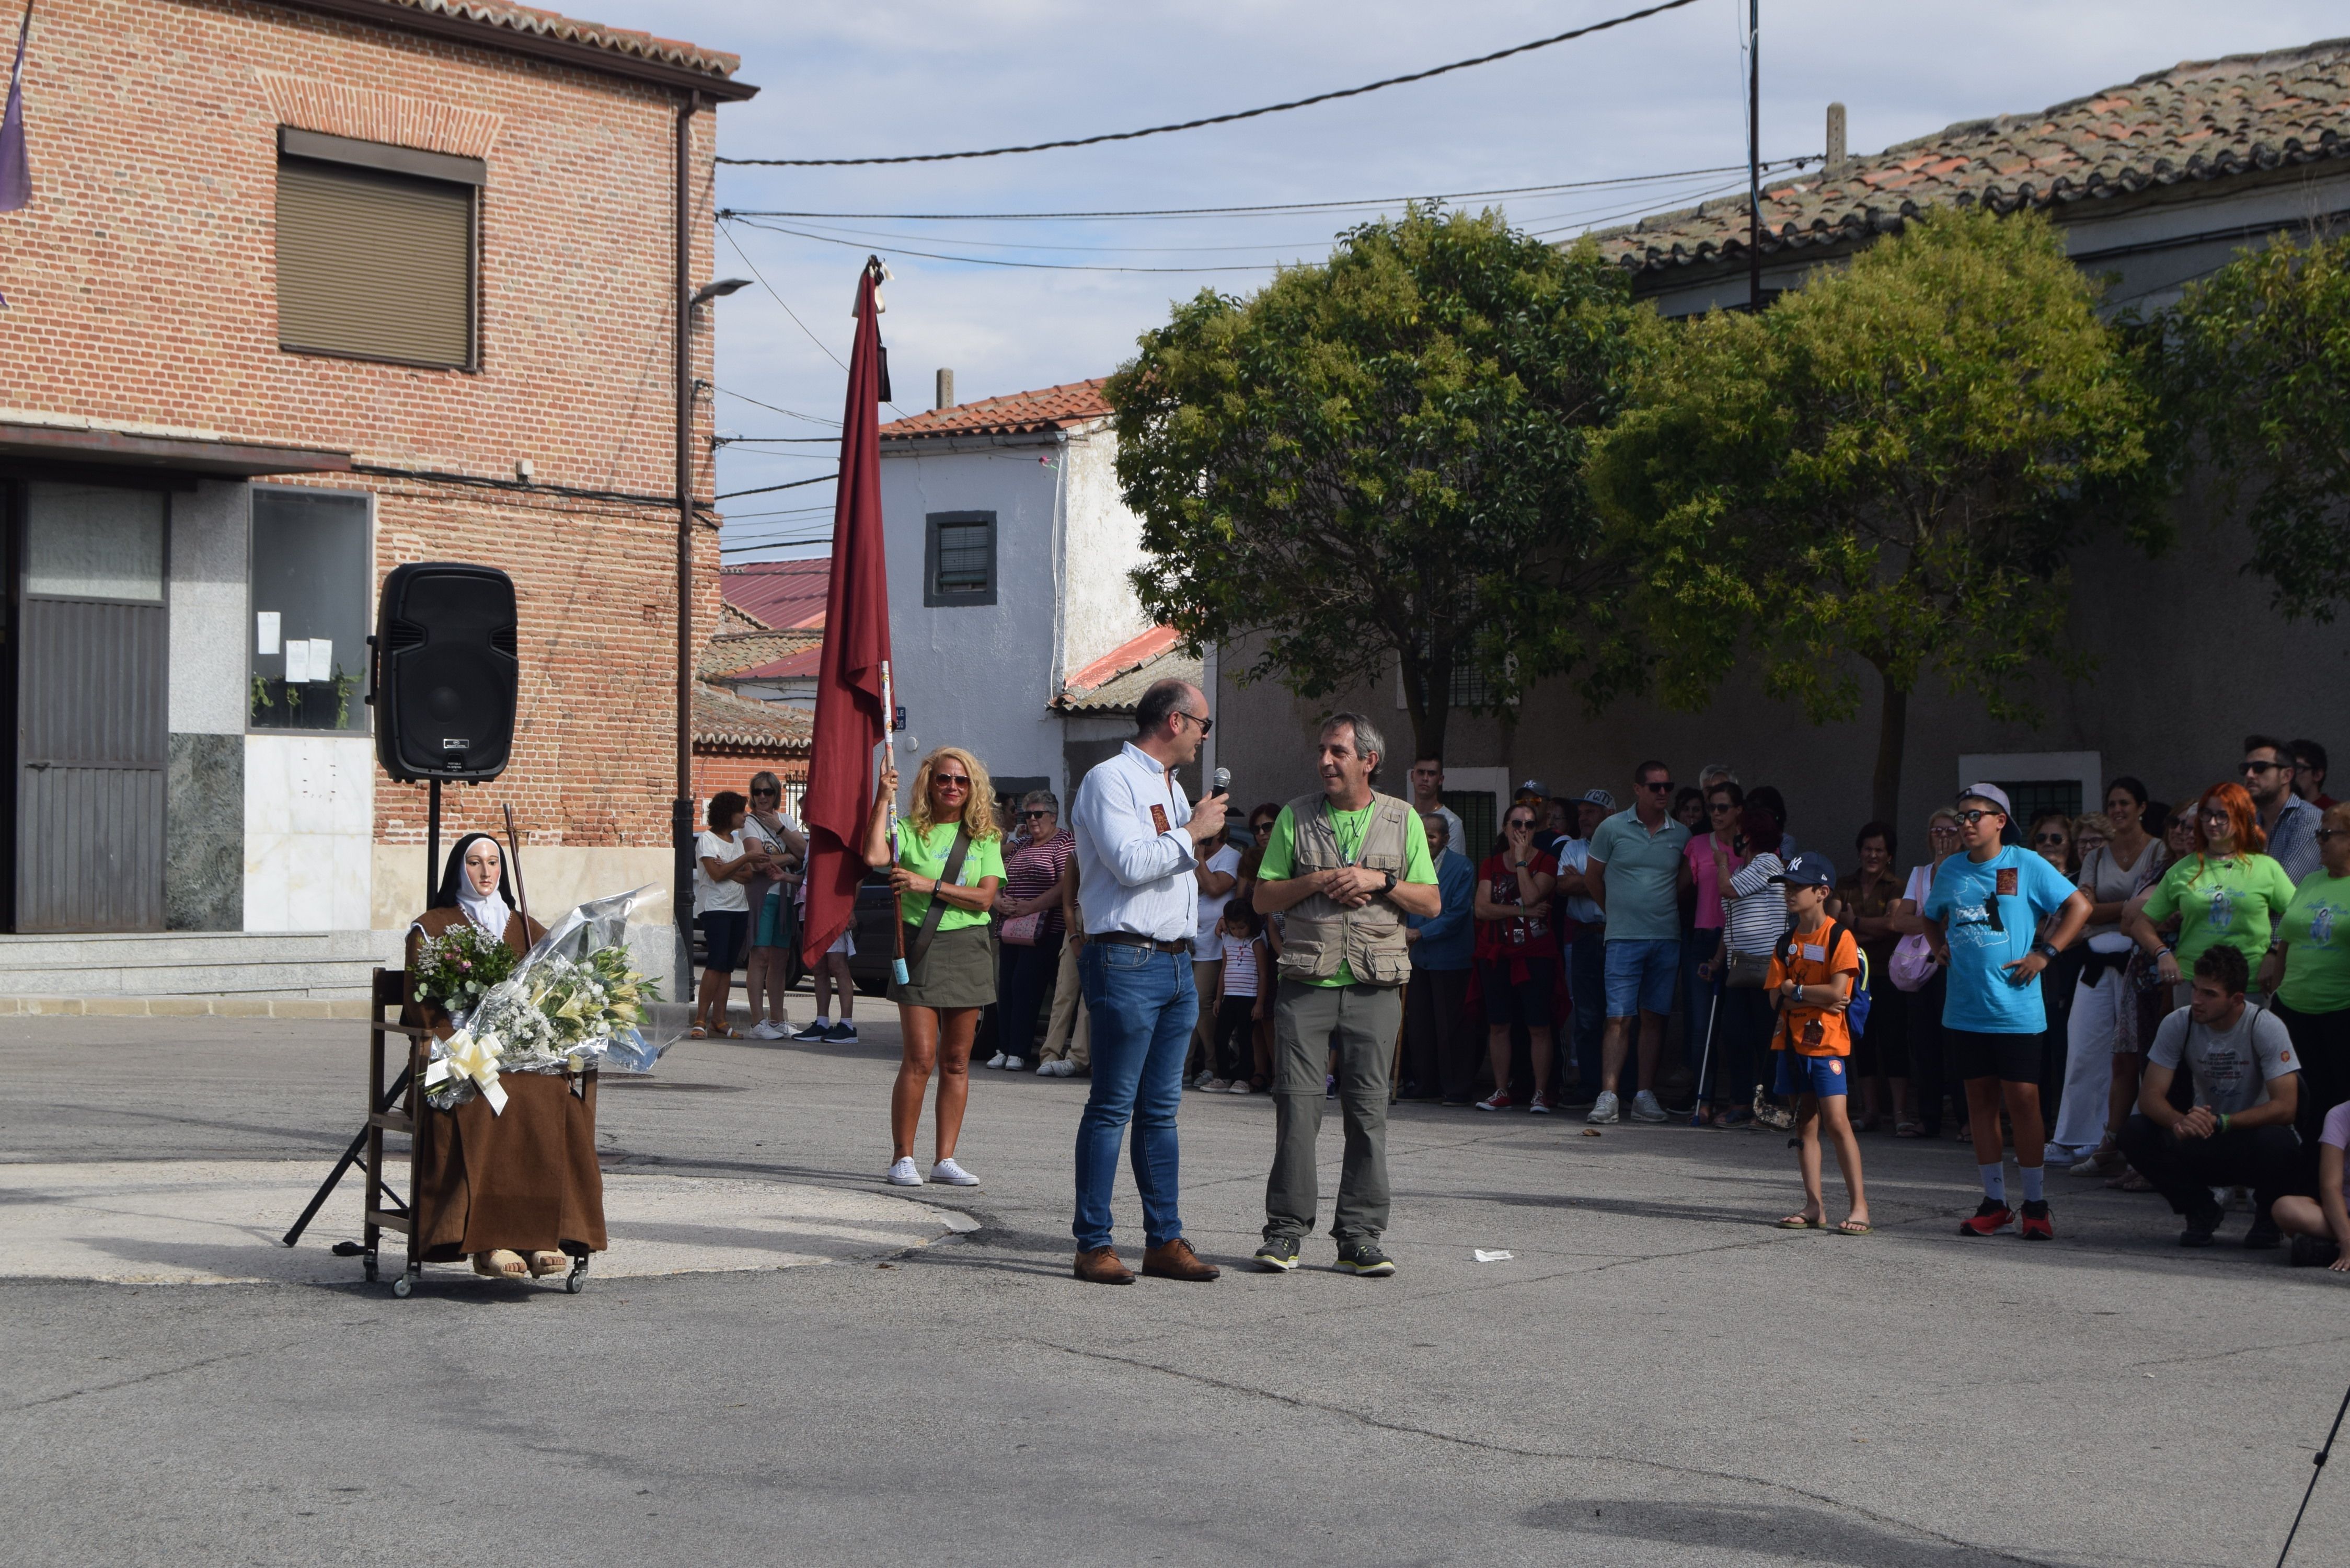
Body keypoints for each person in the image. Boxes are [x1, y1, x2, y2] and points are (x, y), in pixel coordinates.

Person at [1249, 713, 1440, 1276]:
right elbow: (1261, 899)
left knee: (1366, 1114)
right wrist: (1314, 881)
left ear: (1368, 761)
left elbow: (1429, 903)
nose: (1324, 762)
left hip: (1374, 988)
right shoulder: (1295, 816)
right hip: (1305, 985)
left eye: (1337, 752)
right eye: (1322, 751)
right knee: (1297, 1112)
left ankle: (1358, 1236)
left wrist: (1377, 881)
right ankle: (1284, 1233)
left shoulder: (1401, 818)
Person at [1067, 677, 1227, 1285]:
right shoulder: (1109, 779)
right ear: (1175, 722)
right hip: (1126, 958)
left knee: (1160, 1112)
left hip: (1176, 961)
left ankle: (1163, 1240)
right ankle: (1093, 1243)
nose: (1205, 737)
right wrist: (1193, 832)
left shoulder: (1172, 786)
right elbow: (1130, 864)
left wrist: (1191, 831)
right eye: (1203, 725)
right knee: (1110, 1107)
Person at [405, 833, 591, 1279]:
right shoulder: (432, 926)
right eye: (474, 862)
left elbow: (557, 990)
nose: (486, 872)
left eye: (493, 862)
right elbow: (419, 1008)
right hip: (460, 1054)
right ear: (457, 870)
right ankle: (488, 1241)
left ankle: (538, 1235)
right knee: (490, 1095)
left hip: (521, 1054)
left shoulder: (526, 927)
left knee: (550, 1093)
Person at [1920, 783, 2092, 1240]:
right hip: (1964, 1010)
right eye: (1962, 817)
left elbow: (2080, 905)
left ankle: (2035, 1204)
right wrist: (1937, 947)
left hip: (2016, 1009)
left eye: (1977, 815)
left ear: (2001, 821)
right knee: (1980, 1105)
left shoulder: (2025, 863)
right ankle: (1995, 1202)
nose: (1967, 824)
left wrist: (2046, 953)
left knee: (2024, 1103)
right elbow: (1928, 915)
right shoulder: (1951, 870)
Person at [862, 747, 1005, 1191]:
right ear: (930, 783)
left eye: (961, 781)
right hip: (919, 947)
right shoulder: (906, 830)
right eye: (944, 779)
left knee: (958, 1061)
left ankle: (946, 1158)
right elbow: (873, 858)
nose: (952, 787)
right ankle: (902, 1157)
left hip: (968, 947)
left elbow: (985, 899)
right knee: (920, 1059)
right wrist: (881, 799)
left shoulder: (984, 838)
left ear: (973, 787)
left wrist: (930, 885)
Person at [2116, 946, 2302, 1248]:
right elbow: (2150, 1097)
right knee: (2134, 1133)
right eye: (2195, 990)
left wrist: (2224, 1122)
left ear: (2237, 999)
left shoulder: (2265, 1026)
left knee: (2279, 1142)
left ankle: (2268, 1219)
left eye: (2210, 994)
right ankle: (2200, 1209)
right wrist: (2180, 1121)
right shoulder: (2180, 1022)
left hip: (2252, 1140)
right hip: (2205, 1134)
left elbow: (2286, 1107)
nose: (2197, 1001)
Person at [2055, 780, 2165, 1174]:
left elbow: (2152, 910)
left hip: (2138, 963)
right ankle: (2075, 1137)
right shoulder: (2097, 855)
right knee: (2084, 1045)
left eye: (2125, 803)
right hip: (2096, 964)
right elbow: (2082, 909)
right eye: (2112, 803)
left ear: (2141, 807)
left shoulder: (2158, 850)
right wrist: (2129, 907)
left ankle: (2125, 1139)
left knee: (2132, 1056)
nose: (2117, 809)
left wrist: (2107, 909)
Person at [1765, 853, 1871, 1235]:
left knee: (1838, 1123)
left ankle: (1860, 1207)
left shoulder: (1839, 936)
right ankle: (1814, 1205)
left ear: (1822, 892)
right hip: (1791, 1044)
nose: (1789, 893)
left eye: (1798, 887)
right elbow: (1775, 997)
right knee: (1803, 1126)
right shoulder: (1785, 941)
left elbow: (1839, 992)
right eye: (1787, 887)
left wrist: (1797, 991)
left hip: (1828, 1045)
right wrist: (1808, 994)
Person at [1585, 760, 1694, 1125]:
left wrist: (1657, 906)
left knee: (1654, 1017)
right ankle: (1609, 1096)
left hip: (1666, 938)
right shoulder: (1611, 828)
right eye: (1655, 787)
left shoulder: (1681, 835)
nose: (1663, 793)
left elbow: (1683, 881)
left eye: (1668, 787)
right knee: (1617, 1018)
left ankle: (1645, 1095)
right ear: (1637, 789)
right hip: (1623, 939)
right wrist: (1614, 912)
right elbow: (1592, 878)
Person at [2124, 782, 2296, 1004]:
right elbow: (2141, 924)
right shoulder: (2182, 869)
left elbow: (2298, 918)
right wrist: (2163, 954)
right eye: (2207, 814)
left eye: (2222, 816)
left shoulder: (2266, 868)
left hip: (2248, 983)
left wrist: (2275, 953)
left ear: (2241, 818)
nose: (2213, 823)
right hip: (2193, 984)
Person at [2261, 801, 2350, 1174]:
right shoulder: (2312, 881)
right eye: (2319, 833)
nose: (2320, 842)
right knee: (2299, 1103)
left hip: (2340, 1012)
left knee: (2337, 1101)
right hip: (2293, 1008)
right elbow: (2288, 939)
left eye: (2328, 834)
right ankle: (2301, 1178)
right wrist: (2277, 990)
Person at [1473, 802, 1561, 1112]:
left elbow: (1535, 894)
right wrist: (1521, 911)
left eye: (1529, 825)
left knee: (1538, 1025)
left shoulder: (1548, 862)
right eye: (1516, 824)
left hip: (1535, 954)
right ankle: (1500, 1090)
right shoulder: (1491, 864)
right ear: (1505, 827)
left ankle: (1539, 1092)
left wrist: (1522, 862)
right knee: (1499, 1024)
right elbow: (1482, 909)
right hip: (1496, 954)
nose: (1522, 830)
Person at [1714, 799, 1789, 1129]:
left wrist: (1720, 863)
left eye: (1741, 831)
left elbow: (1727, 890)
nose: (1736, 837)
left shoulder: (1767, 864)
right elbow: (1732, 916)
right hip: (1740, 965)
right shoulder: (1748, 869)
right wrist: (1718, 958)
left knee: (1764, 1036)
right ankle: (1742, 1101)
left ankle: (1769, 1106)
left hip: (1765, 965)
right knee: (1735, 1035)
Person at [1891, 808, 1965, 1138]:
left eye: (1950, 831)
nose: (1943, 837)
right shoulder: (1919, 874)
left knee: (1957, 1043)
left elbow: (1961, 915)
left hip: (1957, 965)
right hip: (1924, 965)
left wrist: (1924, 918)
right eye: (1937, 831)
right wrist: (1933, 921)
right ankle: (1929, 1118)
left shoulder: (1969, 869)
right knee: (1923, 1043)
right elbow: (1899, 920)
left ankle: (1966, 1119)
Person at [1836, 822, 1911, 1135]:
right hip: (1856, 976)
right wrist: (1869, 928)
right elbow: (1834, 925)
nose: (1873, 855)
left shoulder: (1897, 885)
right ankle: (1869, 1112)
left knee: (1894, 1042)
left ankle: (1901, 1113)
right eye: (1868, 849)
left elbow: (1895, 924)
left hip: (1890, 975)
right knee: (1862, 1041)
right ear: (1859, 851)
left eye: (1879, 850)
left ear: (1889, 855)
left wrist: (1855, 922)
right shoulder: (1845, 884)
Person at [990, 790, 1074, 1074]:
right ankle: (1003, 1048)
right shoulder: (1021, 844)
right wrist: (998, 899)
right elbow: (994, 869)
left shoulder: (1064, 842)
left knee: (1025, 986)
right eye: (1028, 814)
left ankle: (1019, 1051)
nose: (1033, 820)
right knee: (1006, 988)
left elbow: (1065, 887)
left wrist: (1030, 907)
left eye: (1038, 814)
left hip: (1045, 929)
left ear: (1053, 816)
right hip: (1013, 927)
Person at [1402, 809, 1476, 1103]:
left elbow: (1457, 914)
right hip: (1418, 957)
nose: (1427, 840)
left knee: (1451, 1026)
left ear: (1445, 839)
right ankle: (1425, 1084)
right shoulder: (1409, 864)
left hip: (1450, 958)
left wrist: (1421, 933)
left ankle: (1456, 1088)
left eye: (1432, 835)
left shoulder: (1462, 867)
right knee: (1420, 1024)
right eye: (1423, 834)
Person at [1686, 781, 1746, 1121]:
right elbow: (1683, 890)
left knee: (1736, 1026)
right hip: (1705, 936)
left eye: (1724, 807)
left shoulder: (1751, 847)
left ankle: (1741, 1100)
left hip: (1741, 940)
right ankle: (1703, 1099)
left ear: (1739, 810)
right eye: (1712, 808)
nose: (1717, 814)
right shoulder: (1697, 845)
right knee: (1700, 1025)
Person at [741, 772, 807, 1041]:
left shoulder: (787, 820)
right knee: (761, 957)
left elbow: (804, 853)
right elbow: (757, 862)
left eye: (768, 792)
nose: (763, 797)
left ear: (777, 793)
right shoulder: (749, 824)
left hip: (787, 895)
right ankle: (758, 1021)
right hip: (763, 895)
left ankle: (778, 1020)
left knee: (782, 958)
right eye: (757, 792)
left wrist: (780, 832)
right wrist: (789, 855)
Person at [1554, 794, 1609, 1105]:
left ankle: (1619, 1088)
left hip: (1616, 935)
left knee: (1620, 1014)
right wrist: (1601, 879)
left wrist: (1584, 880)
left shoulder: (1619, 846)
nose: (1584, 818)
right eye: (1582, 813)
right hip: (1585, 938)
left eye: (1592, 812)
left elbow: (1621, 883)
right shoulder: (1571, 848)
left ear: (1609, 814)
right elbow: (1563, 887)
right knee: (1586, 1017)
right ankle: (1590, 1086)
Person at [693, 791, 761, 1039]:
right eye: (741, 812)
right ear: (727, 814)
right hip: (716, 908)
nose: (745, 816)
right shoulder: (707, 840)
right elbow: (715, 874)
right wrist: (743, 860)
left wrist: (727, 869)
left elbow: (748, 876)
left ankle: (719, 1020)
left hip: (739, 908)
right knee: (716, 962)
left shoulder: (738, 842)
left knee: (728, 967)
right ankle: (701, 1019)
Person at [1189, 810, 1244, 1089]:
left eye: (1209, 836)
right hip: (1187, 940)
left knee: (1201, 1002)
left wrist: (1197, 856)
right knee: (1183, 1006)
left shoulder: (1230, 857)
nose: (1205, 840)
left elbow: (1213, 888)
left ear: (1221, 832)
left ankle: (1213, 1064)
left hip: (1212, 946)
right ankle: (1184, 1068)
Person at [2272, 1095, 2350, 1270]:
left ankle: (2325, 1251)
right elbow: (2330, 1187)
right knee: (2285, 1208)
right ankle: (2340, 1245)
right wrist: (2346, 1239)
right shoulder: (2340, 1115)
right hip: (2341, 1215)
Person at [789, 864, 859, 1043]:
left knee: (837, 965)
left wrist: (850, 909)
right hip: (811, 911)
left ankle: (847, 1025)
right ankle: (822, 1022)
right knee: (818, 967)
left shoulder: (835, 839)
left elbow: (857, 876)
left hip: (833, 910)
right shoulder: (810, 845)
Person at [1208, 902, 1271, 1093]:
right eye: (1233, 928)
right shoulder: (1227, 940)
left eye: (1242, 927)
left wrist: (1259, 1003)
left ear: (1250, 923)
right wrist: (1219, 999)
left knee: (1245, 1039)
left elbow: (1263, 973)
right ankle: (1224, 1076)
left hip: (1248, 997)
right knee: (1221, 1038)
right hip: (1230, 996)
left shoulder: (1257, 943)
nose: (1238, 932)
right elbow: (1224, 970)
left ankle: (1244, 1078)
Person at [2244, 734, 2322, 882]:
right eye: (2245, 769)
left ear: (2287, 776)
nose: (2249, 775)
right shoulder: (2247, 822)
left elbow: (2288, 885)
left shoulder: (2309, 819)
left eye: (2260, 768)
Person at [1408, 754, 1466, 862]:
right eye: (1421, 772)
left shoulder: (1453, 823)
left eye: (1431, 774)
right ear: (1412, 776)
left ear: (1440, 780)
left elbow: (1454, 867)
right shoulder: (1403, 816)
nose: (1425, 778)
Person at [2292, 738, 2336, 810]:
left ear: (2317, 775)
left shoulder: (2336, 813)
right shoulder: (2276, 811)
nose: (2289, 775)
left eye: (2298, 768)